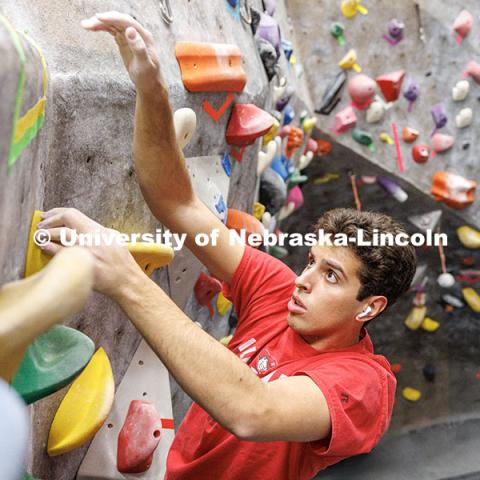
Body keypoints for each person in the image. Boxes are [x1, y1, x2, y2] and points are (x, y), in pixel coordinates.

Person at [38, 12, 416, 479]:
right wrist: (152, 89)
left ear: (369, 307)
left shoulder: (365, 387)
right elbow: (178, 203)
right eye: (312, 262)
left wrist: (125, 279)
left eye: (332, 275)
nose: (304, 280)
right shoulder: (280, 292)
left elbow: (251, 411)